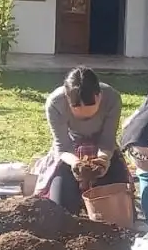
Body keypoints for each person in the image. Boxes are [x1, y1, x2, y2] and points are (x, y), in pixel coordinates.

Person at [34, 67, 128, 214]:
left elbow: (107, 140)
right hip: (70, 153)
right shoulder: (55, 103)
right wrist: (77, 164)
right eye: (77, 109)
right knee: (61, 211)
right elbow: (62, 146)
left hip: (102, 151)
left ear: (99, 96)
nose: (85, 117)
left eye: (91, 110)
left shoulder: (112, 98)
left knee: (117, 209)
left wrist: (103, 161)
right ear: (66, 97)